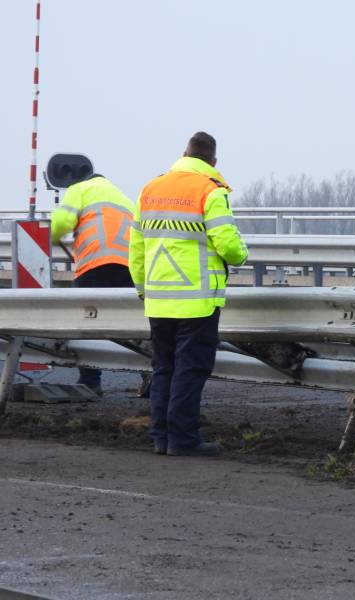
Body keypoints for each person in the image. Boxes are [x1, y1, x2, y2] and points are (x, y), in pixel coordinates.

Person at [128, 132, 248, 457]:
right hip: (197, 300)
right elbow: (229, 247)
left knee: (163, 367)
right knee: (190, 369)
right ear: (213, 161)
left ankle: (161, 437)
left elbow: (136, 249)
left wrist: (142, 289)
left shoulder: (149, 190)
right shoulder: (210, 190)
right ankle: (183, 439)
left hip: (157, 299)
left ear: (183, 154)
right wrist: (241, 254)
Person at [50, 166, 135, 395]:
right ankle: (149, 376)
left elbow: (60, 223)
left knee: (88, 322)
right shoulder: (126, 199)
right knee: (133, 326)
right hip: (130, 267)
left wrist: (55, 237)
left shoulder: (80, 189)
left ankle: (91, 381)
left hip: (95, 264)